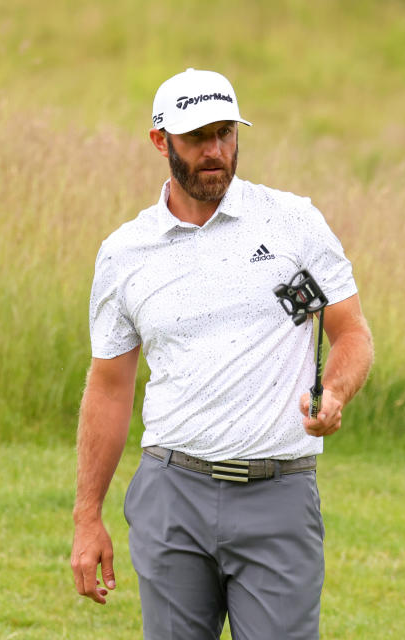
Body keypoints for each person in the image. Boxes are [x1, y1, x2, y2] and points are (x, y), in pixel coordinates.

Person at [70, 68, 374, 640]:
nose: (216, 152)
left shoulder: (293, 224)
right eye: (198, 137)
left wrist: (334, 392)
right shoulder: (124, 253)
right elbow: (109, 387)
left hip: (278, 494)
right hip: (170, 494)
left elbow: (351, 332)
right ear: (161, 141)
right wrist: (88, 516)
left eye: (226, 133)